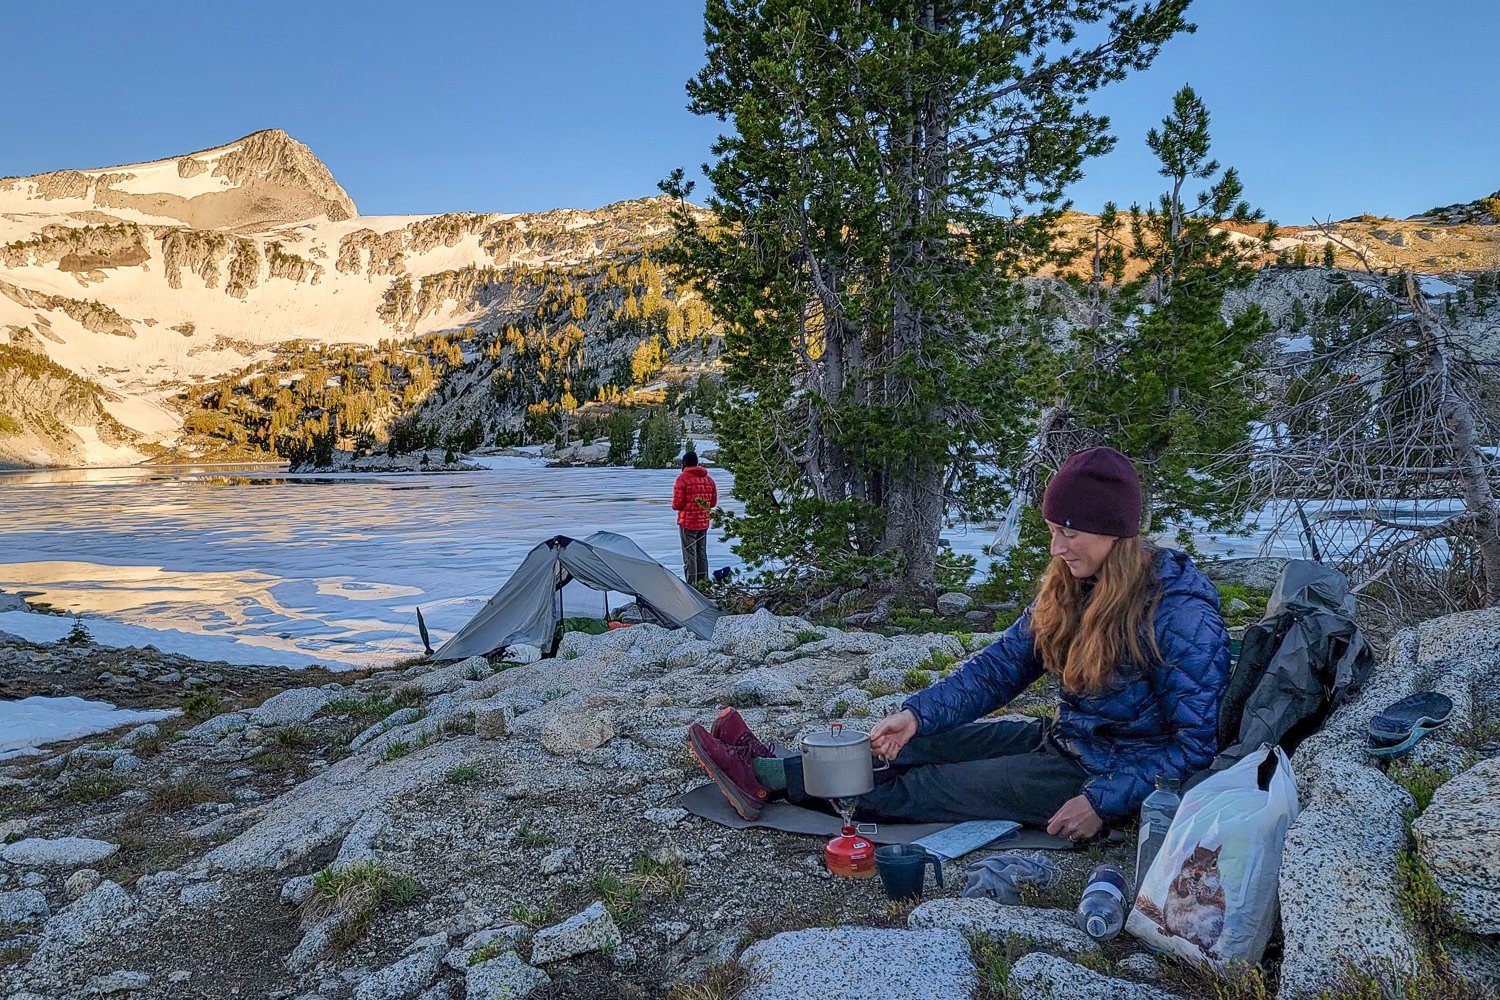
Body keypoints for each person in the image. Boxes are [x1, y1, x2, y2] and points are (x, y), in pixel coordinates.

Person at [687, 446, 1230, 842]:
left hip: (1104, 773)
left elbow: (1194, 748)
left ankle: (763, 782)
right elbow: (998, 670)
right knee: (898, 748)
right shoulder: (1072, 586)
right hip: (1062, 740)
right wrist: (917, 716)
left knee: (921, 789)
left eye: (1071, 532)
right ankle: (775, 770)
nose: (1057, 546)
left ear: (1116, 532)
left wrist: (1102, 802)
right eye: (1052, 530)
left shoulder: (1178, 613)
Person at [672, 451, 717, 584]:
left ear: (684, 463)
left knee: (689, 554)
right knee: (701, 553)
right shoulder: (708, 480)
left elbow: (677, 504)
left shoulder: (682, 479)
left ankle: (692, 586)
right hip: (703, 522)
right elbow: (713, 503)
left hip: (687, 523)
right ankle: (704, 584)